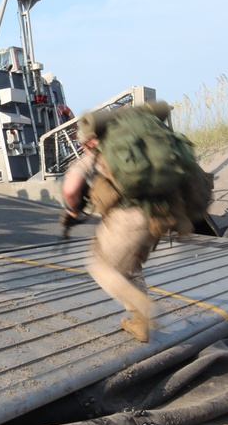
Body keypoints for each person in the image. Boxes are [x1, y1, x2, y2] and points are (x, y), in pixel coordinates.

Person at [61, 119, 157, 343]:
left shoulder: (94, 156)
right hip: (156, 216)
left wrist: (72, 210)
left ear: (88, 142)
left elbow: (71, 187)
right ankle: (140, 324)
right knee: (130, 266)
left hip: (127, 219)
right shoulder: (135, 148)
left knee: (100, 267)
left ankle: (142, 307)